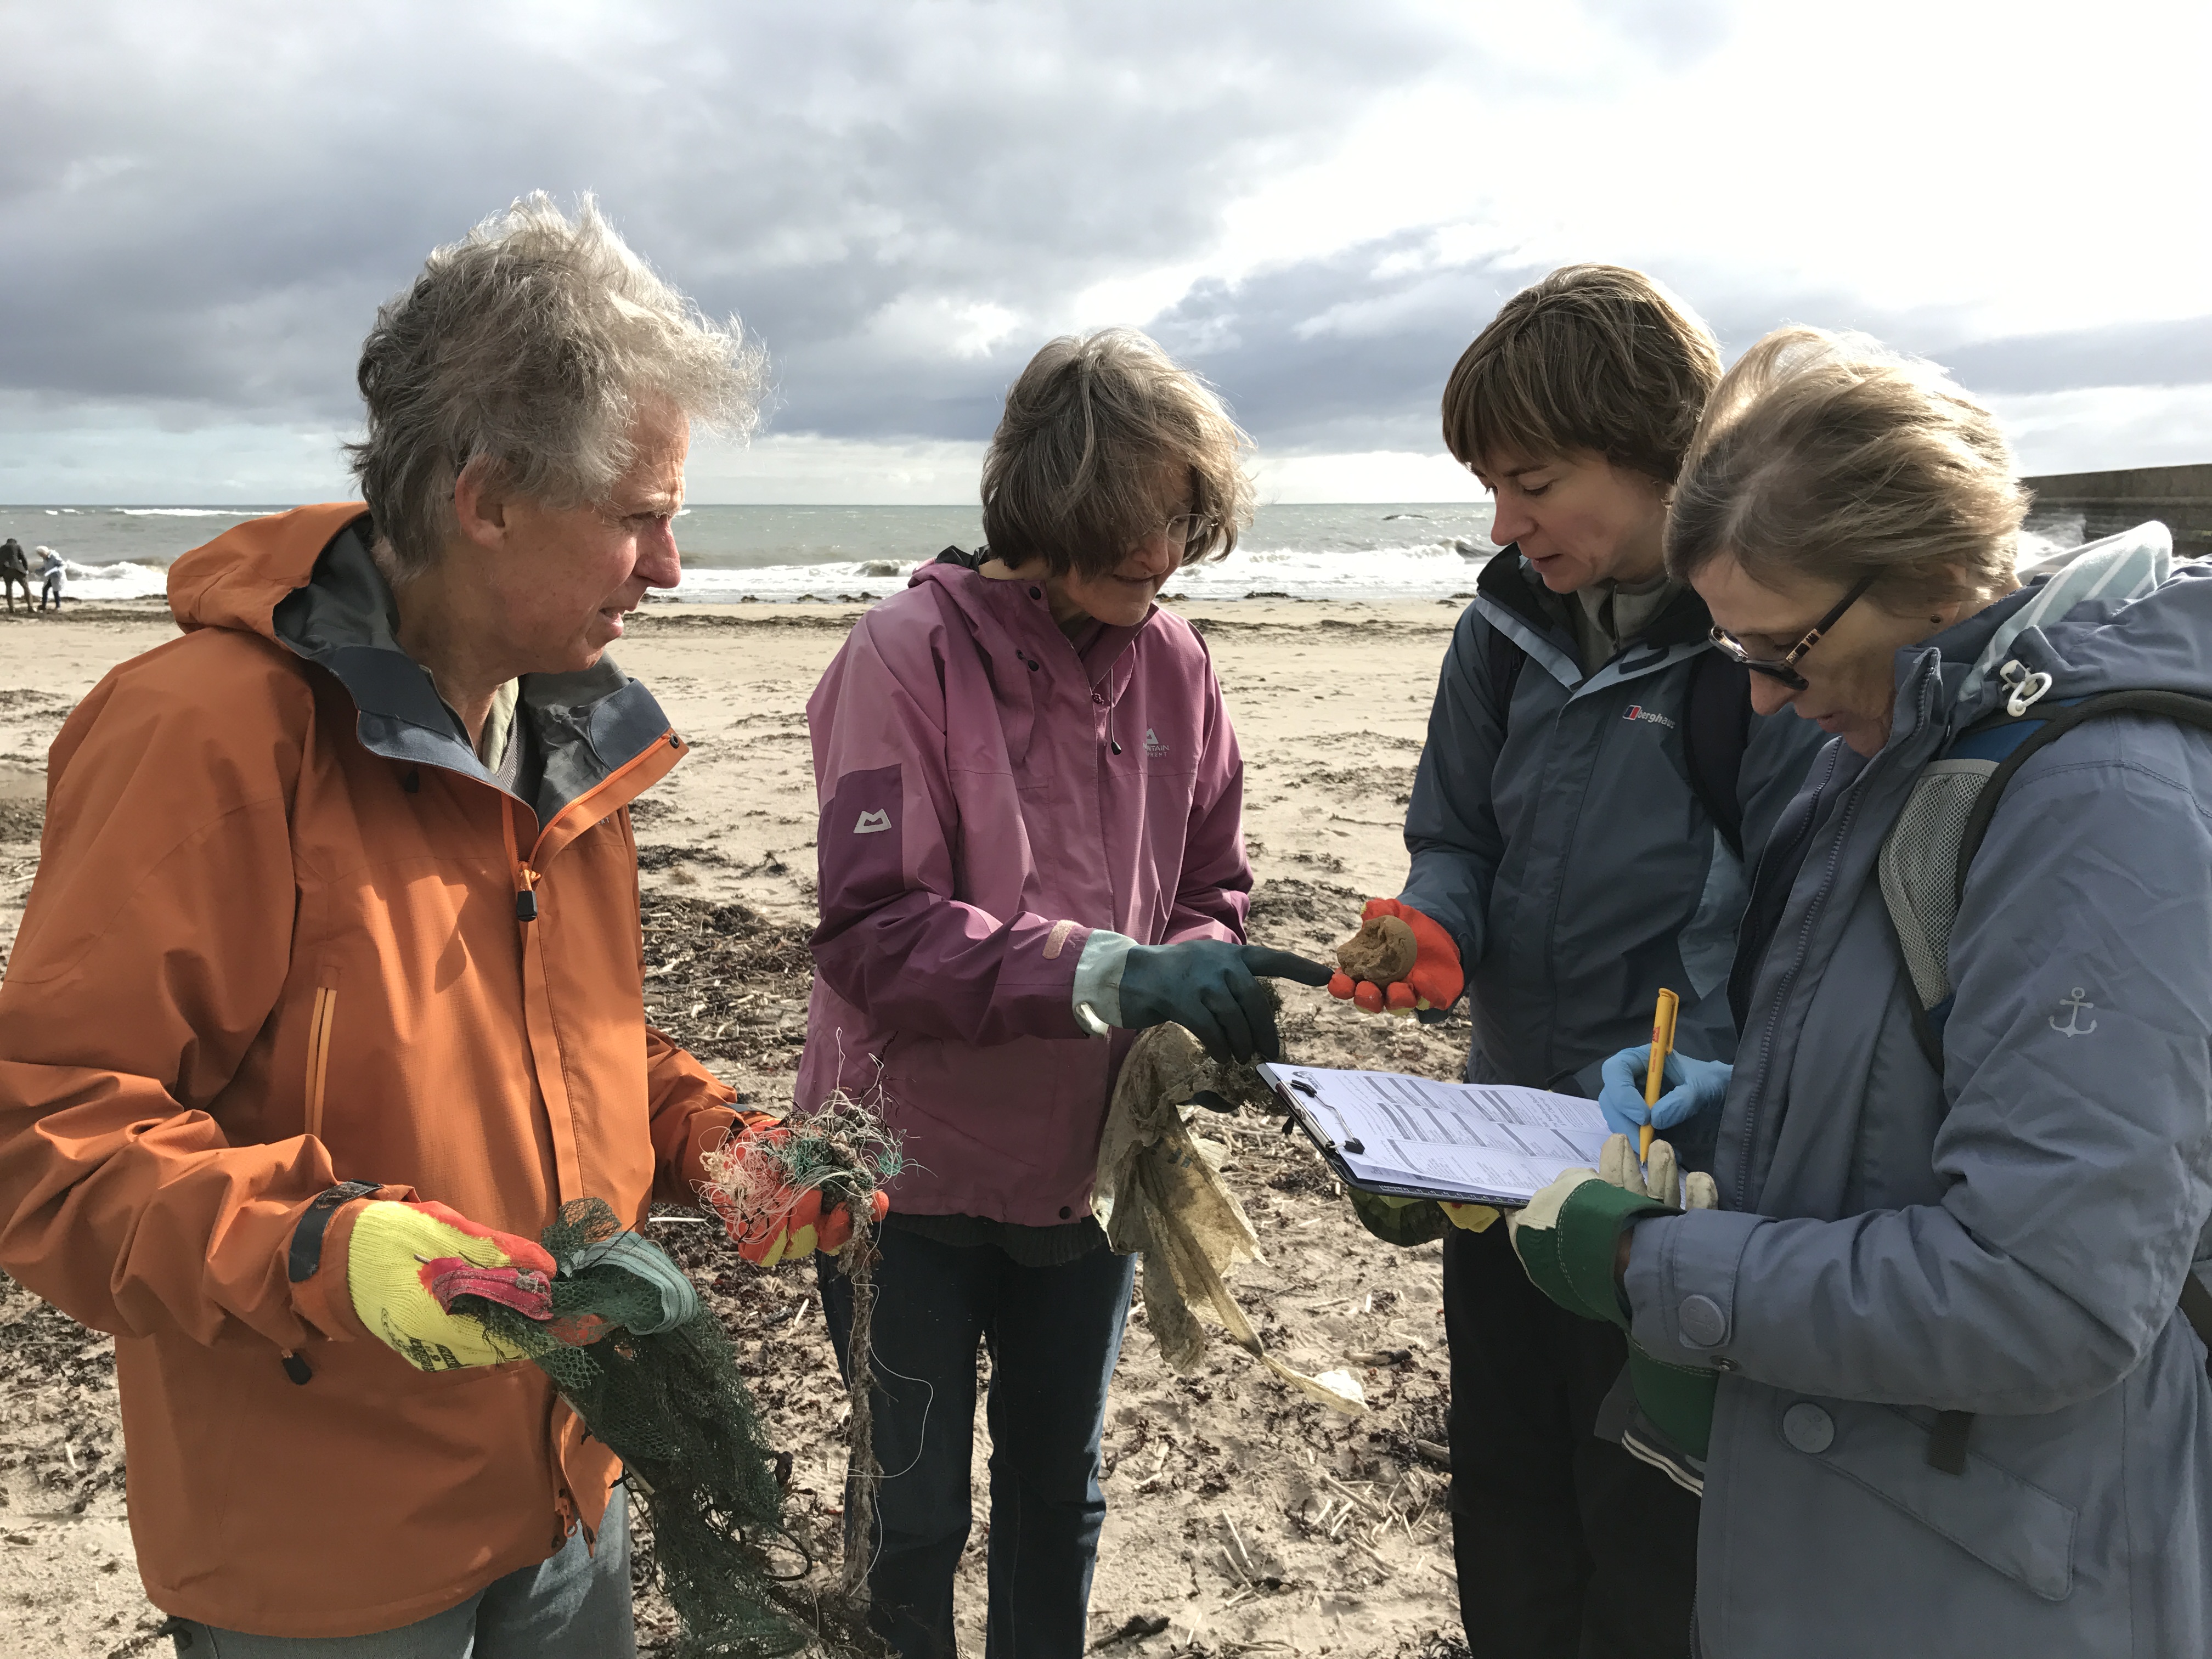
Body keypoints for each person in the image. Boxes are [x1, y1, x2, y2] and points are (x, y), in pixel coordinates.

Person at [0, 195, 872, 1656]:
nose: (670, 569)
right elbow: (47, 1132)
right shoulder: (204, 739)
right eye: (643, 518)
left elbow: (570, 1042)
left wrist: (705, 1138)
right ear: (487, 500)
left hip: (569, 1490)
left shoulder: (564, 736)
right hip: (325, 1557)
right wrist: (324, 1253)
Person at [1517, 325, 2212, 1654]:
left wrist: (1647, 1264)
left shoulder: (2096, 805)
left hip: (2009, 1567)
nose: (1767, 705)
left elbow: (2046, 1298)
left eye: (1783, 651)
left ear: (1942, 574)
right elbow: (1935, 1093)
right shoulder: (1906, 735)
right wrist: (1735, 1112)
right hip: (1885, 1523)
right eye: (1736, 658)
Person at [803, 328, 1330, 1658]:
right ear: (1039, 505)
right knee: (910, 1513)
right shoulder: (901, 656)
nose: (1156, 555)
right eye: (1125, 525)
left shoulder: (1178, 664)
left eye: (1179, 519)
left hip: (1086, 1173)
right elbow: (875, 935)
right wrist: (1111, 969)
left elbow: (1213, 871)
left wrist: (1200, 978)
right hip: (900, 1177)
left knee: (1060, 1492)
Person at [1329, 267, 1825, 1658]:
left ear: (1663, 454)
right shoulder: (1499, 630)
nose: (1505, 522)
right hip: (1497, 1150)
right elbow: (1456, 837)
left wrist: (1717, 1113)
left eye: (1533, 480)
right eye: (1491, 485)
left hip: (1669, 1184)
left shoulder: (1768, 655)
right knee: (1504, 1486)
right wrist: (1433, 928)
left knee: (1654, 1526)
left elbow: (1807, 934)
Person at [0, 535, 30, 613]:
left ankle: (11, 608)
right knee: (26, 587)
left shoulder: (2, 548)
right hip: (18, 569)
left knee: (9, 588)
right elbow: (23, 558)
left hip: (6, 570)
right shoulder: (17, 547)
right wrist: (26, 569)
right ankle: (30, 607)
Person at [36, 545, 64, 611]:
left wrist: (55, 570)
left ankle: (58, 606)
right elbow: (47, 566)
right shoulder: (45, 558)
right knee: (45, 589)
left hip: (57, 576)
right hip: (50, 577)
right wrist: (40, 570)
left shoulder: (54, 556)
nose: (40, 556)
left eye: (41, 554)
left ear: (44, 553)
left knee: (56, 591)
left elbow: (62, 565)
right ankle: (43, 606)